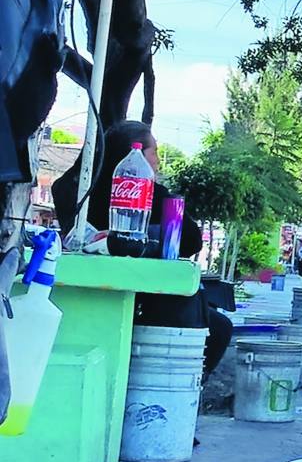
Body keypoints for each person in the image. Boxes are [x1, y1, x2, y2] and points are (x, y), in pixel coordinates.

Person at [51, 120, 233, 378]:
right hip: (141, 296)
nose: (157, 161)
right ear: (134, 154)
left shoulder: (73, 187)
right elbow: (192, 240)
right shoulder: (148, 192)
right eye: (154, 152)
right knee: (219, 327)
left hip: (86, 290)